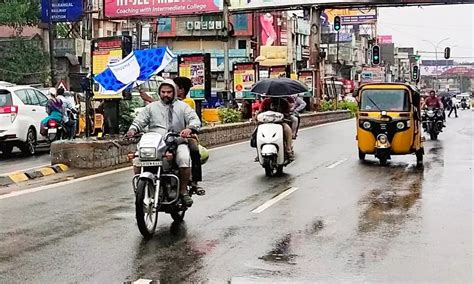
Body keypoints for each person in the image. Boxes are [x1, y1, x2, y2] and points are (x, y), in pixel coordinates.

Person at [127, 79, 201, 207]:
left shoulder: (183, 107)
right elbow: (139, 121)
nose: (166, 94)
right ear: (159, 92)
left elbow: (194, 120)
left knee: (184, 158)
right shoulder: (151, 107)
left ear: (174, 92)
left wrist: (190, 128)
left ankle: (183, 191)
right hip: (155, 142)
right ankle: (142, 189)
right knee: (137, 160)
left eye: (169, 92)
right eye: (163, 92)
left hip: (177, 141)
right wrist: (132, 130)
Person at [173, 76, 202, 189]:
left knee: (194, 151)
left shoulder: (187, 102)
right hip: (171, 136)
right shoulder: (170, 102)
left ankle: (195, 179)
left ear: (182, 90)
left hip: (187, 135)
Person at [259, 96, 294, 161]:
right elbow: (260, 111)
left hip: (280, 123)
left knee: (287, 129)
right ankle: (258, 151)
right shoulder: (266, 101)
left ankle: (288, 149)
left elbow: (287, 113)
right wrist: (257, 117)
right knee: (256, 132)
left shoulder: (284, 102)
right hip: (266, 123)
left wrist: (284, 116)